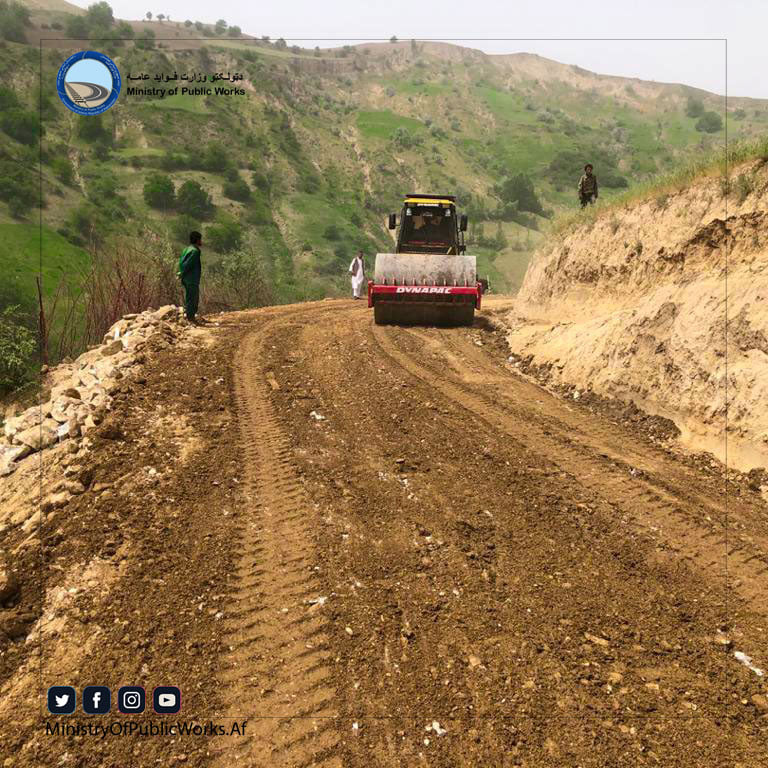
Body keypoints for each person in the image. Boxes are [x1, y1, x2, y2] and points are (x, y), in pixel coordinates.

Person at [179, 231, 202, 324]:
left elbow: (181, 263)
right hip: (191, 278)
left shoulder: (187, 249)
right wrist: (183, 273)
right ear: (197, 240)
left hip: (186, 278)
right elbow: (188, 265)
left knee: (189, 297)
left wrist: (181, 274)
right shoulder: (195, 251)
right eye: (200, 239)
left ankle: (189, 316)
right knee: (193, 298)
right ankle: (190, 318)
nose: (201, 241)